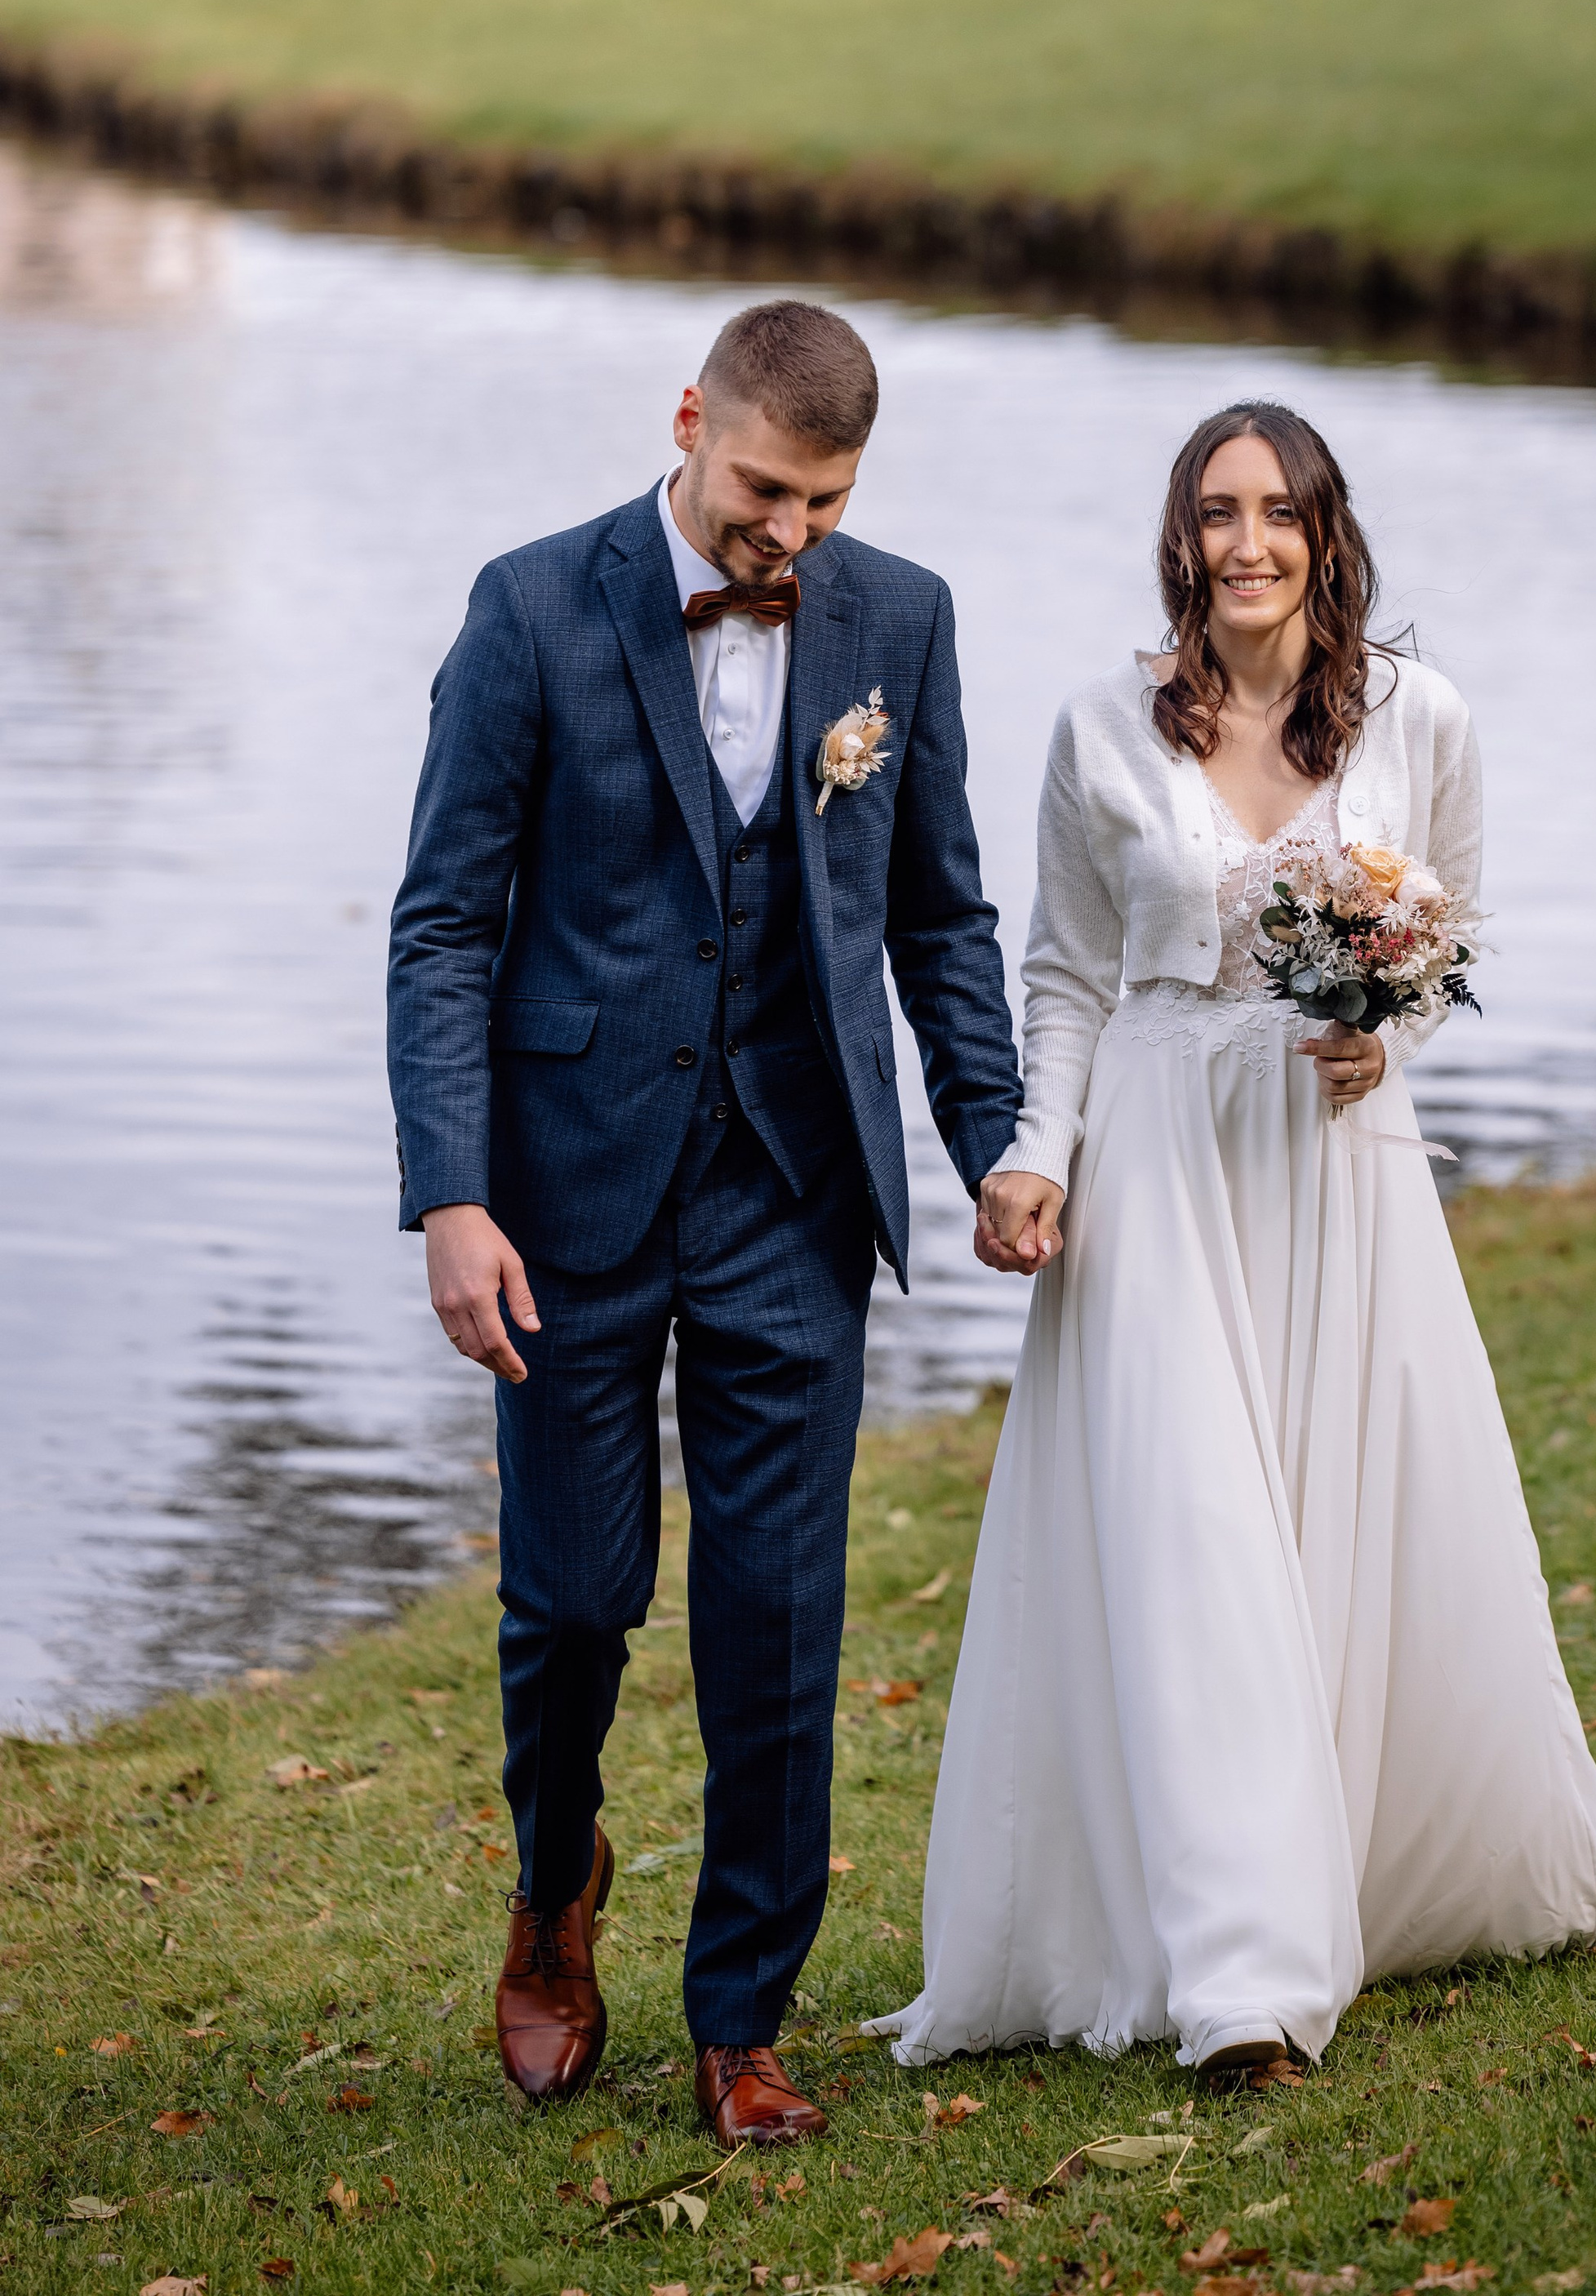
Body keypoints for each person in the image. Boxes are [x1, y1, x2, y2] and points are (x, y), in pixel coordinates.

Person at [871, 400, 1596, 2076]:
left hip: (1334, 1172)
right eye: (1217, 512)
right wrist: (1033, 1155)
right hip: (1156, 1168)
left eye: (1278, 511)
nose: (1247, 543)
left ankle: (1364, 1872)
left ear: (1325, 532)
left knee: (1342, 1521)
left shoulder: (1419, 718)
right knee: (1189, 1541)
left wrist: (1384, 1043)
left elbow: (1451, 933)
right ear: (1181, 536)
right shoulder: (1100, 726)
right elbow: (1064, 974)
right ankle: (1241, 1980)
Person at [388, 300, 1029, 2142]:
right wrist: (451, 1194)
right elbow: (444, 924)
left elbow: (940, 918)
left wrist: (996, 1141)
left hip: (794, 1185)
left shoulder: (902, 618)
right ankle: (554, 1882)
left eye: (826, 502)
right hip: (564, 1194)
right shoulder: (531, 607)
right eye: (763, 490)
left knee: (776, 1615)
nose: (790, 534)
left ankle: (740, 2018)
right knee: (572, 1603)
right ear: (689, 420)